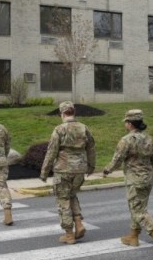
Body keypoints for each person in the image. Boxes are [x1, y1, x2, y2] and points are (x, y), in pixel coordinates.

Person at [103, 109, 153, 256]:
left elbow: (118, 158)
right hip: (148, 179)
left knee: (138, 210)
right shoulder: (149, 139)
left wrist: (107, 170)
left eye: (126, 122)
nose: (125, 125)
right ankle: (133, 236)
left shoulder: (126, 140)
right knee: (139, 207)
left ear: (130, 124)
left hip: (135, 180)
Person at [40, 101, 96, 245]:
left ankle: (69, 234)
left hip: (63, 169)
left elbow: (51, 152)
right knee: (72, 195)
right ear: (74, 112)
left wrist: (44, 172)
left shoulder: (59, 129)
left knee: (63, 200)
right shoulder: (84, 128)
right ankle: (78, 224)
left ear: (62, 113)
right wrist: (91, 166)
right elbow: (91, 148)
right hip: (80, 169)